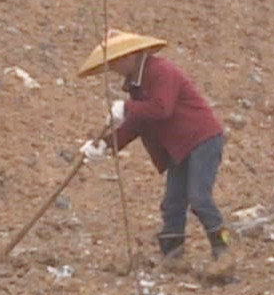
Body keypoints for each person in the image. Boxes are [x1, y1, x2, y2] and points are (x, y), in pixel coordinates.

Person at [76, 29, 231, 270]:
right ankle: (172, 257)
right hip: (179, 146)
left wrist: (127, 108)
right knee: (172, 203)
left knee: (199, 198)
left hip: (201, 139)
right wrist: (105, 144)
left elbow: (161, 109)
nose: (114, 68)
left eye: (115, 62)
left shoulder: (160, 72)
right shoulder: (136, 86)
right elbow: (138, 123)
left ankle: (223, 250)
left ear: (130, 57)